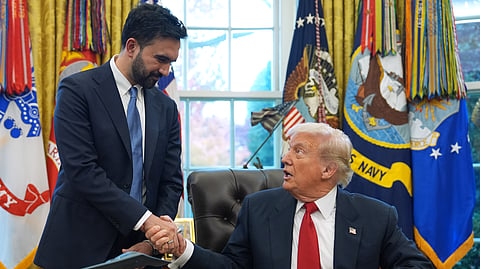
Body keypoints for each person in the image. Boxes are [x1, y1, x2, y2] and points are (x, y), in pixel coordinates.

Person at [147, 122, 434, 269]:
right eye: (288, 150)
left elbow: (417, 265)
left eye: (298, 151)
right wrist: (182, 247)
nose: (285, 158)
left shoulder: (375, 216)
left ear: (328, 169)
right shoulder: (258, 208)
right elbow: (232, 267)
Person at [34, 4, 187, 268]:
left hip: (140, 251)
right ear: (131, 46)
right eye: (161, 59)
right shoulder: (77, 91)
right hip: (78, 248)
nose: (165, 71)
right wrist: (146, 220)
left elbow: (171, 180)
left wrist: (153, 239)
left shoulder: (166, 107)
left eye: (171, 63)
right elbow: (83, 171)